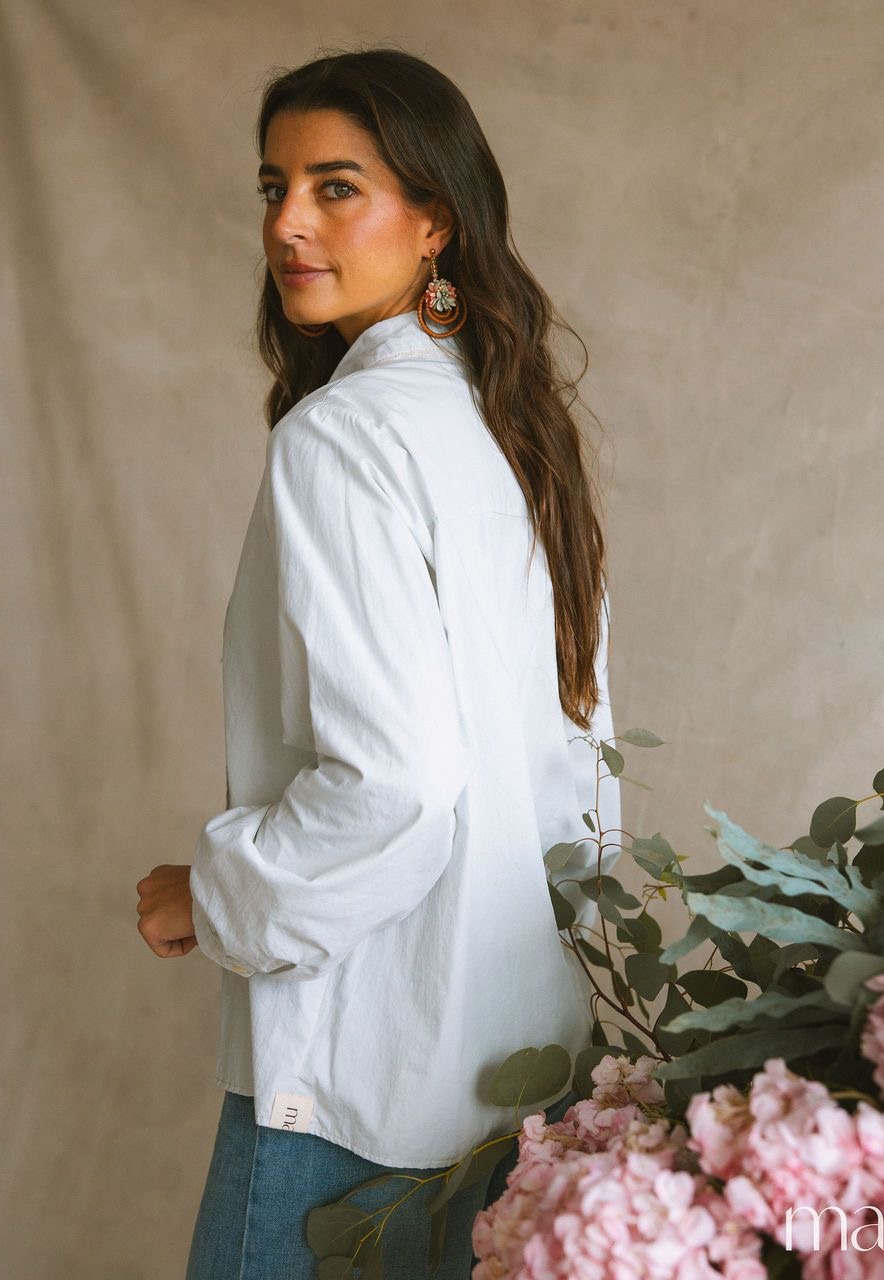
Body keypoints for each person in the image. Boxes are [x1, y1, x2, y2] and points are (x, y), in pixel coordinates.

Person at [134, 45, 621, 1280]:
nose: (287, 223)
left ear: (435, 219)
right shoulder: (513, 432)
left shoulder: (344, 437)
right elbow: (579, 779)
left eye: (335, 187)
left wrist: (217, 891)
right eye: (274, 187)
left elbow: (393, 786)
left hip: (352, 1086)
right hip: (520, 1076)